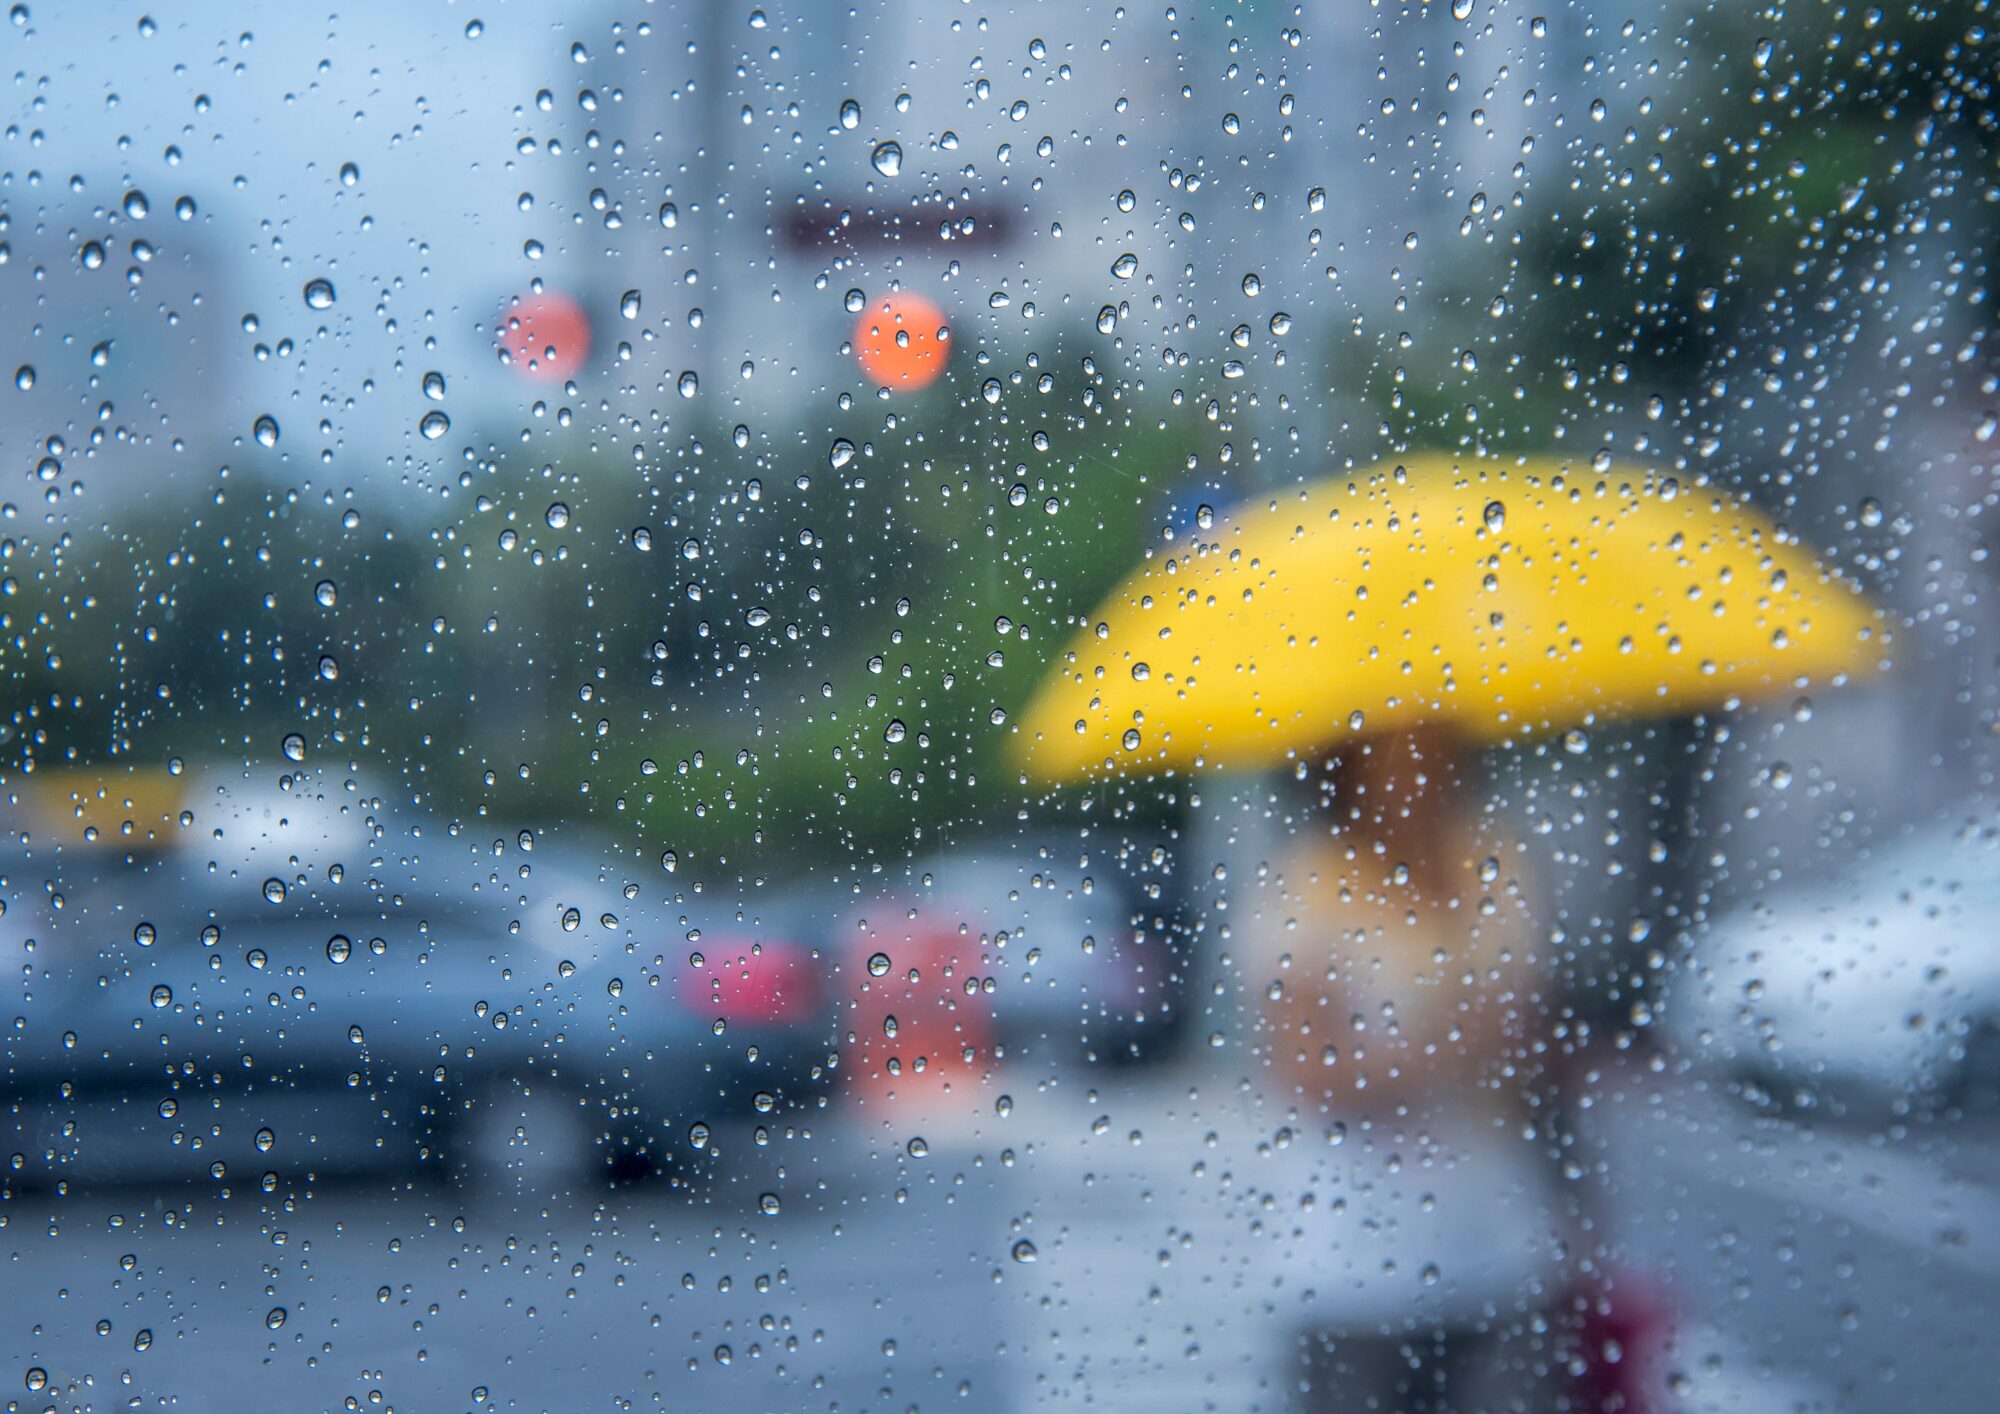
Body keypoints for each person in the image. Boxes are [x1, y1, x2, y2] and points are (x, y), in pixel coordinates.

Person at [1241, 727, 1575, 1412]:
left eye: (1431, 748)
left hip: (1499, 1238)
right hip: (1352, 1256)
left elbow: (1532, 1039)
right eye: (1390, 754)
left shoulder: (1493, 860)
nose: (1414, 774)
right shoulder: (1312, 881)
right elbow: (1307, 1072)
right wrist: (1455, 1046)